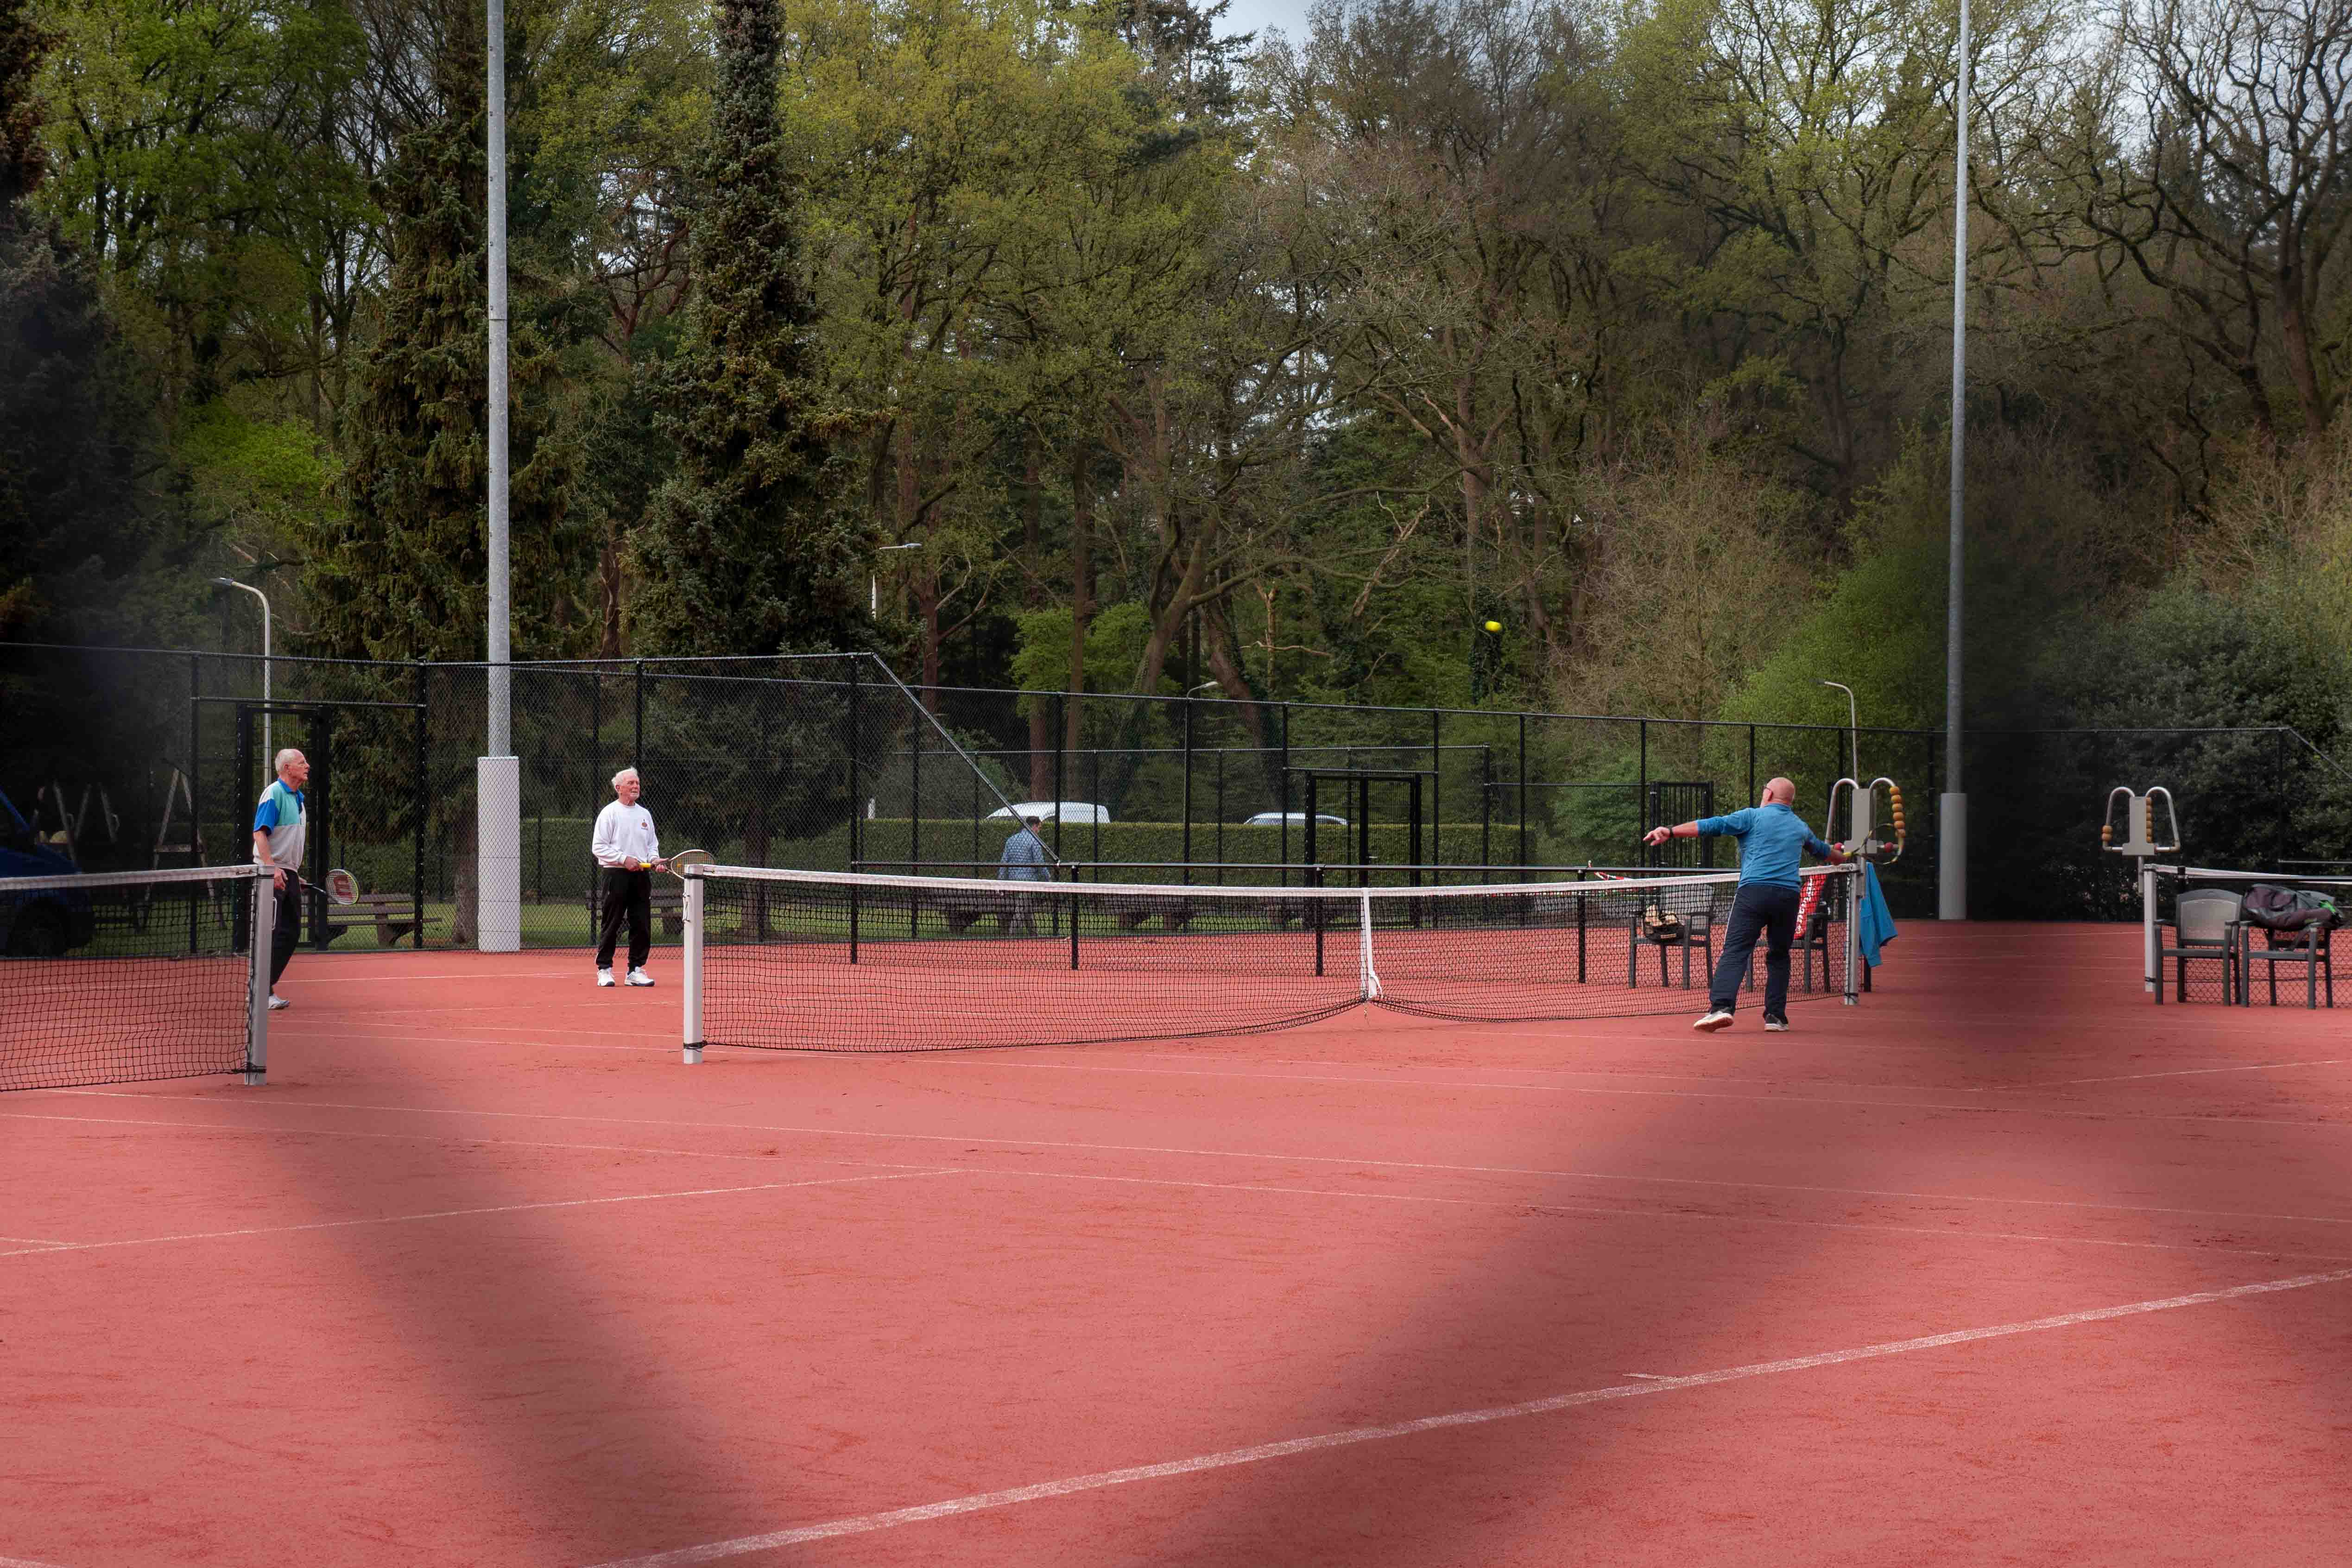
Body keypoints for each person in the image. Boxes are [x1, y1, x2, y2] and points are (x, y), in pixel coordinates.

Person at [1644, 776, 1846, 1033]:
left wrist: (1671, 831)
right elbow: (1828, 854)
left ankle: (1721, 1008)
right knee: (1779, 955)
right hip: (1788, 898)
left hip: (1754, 892)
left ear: (1769, 793)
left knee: (1736, 950)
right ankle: (1776, 1017)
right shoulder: (1800, 827)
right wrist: (1844, 856)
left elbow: (1712, 825)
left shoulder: (1752, 816)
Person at [592, 767, 666, 987]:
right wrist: (624, 859)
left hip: (641, 876)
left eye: (637, 783)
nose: (636, 786)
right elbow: (598, 847)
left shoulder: (645, 814)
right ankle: (604, 969)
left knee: (642, 924)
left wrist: (654, 860)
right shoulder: (609, 813)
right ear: (619, 788)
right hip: (616, 876)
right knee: (612, 923)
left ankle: (636, 970)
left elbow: (652, 845)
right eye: (631, 783)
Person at [251, 747, 310, 1012]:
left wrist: (294, 873)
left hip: (288, 873)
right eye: (301, 762)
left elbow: (288, 842)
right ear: (287, 768)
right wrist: (272, 869)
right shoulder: (273, 793)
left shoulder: (300, 800)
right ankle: (261, 991)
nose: (307, 766)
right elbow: (260, 834)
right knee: (270, 934)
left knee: (291, 932)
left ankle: (263, 987)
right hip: (270, 874)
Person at [996, 813, 1050, 935]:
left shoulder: (1011, 840)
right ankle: (1011, 934)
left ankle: (1033, 934)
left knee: (1026, 907)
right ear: (1035, 826)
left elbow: (1004, 862)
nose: (1039, 830)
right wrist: (1048, 879)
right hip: (1028, 882)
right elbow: (1039, 863)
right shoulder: (1035, 841)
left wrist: (1000, 882)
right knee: (1021, 909)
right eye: (1039, 828)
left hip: (1014, 881)